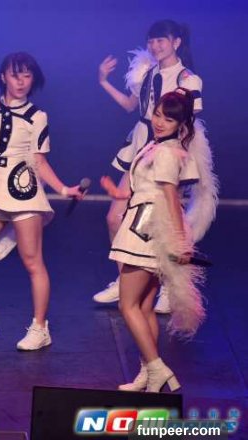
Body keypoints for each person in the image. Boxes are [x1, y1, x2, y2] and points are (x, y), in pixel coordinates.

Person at [0, 52, 84, 350]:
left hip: (23, 194)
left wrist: (63, 189)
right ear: (3, 77)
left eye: (27, 76)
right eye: (15, 75)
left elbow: (39, 161)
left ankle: (40, 328)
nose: (21, 82)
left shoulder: (37, 116)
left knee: (32, 261)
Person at [94, 19, 215, 313]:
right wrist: (103, 81)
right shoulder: (147, 72)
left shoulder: (188, 79)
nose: (155, 45)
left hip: (168, 153)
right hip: (140, 147)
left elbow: (187, 121)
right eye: (151, 41)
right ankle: (124, 280)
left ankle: (169, 285)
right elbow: (130, 105)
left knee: (167, 220)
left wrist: (174, 156)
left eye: (161, 40)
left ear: (176, 43)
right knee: (114, 218)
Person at [102, 89, 214, 392]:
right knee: (144, 307)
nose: (160, 122)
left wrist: (180, 241)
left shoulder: (166, 152)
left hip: (145, 231)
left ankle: (157, 368)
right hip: (147, 227)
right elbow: (147, 190)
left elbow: (170, 198)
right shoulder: (159, 146)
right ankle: (148, 372)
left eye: (169, 119)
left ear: (181, 124)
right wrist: (118, 193)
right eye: (157, 114)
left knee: (128, 305)